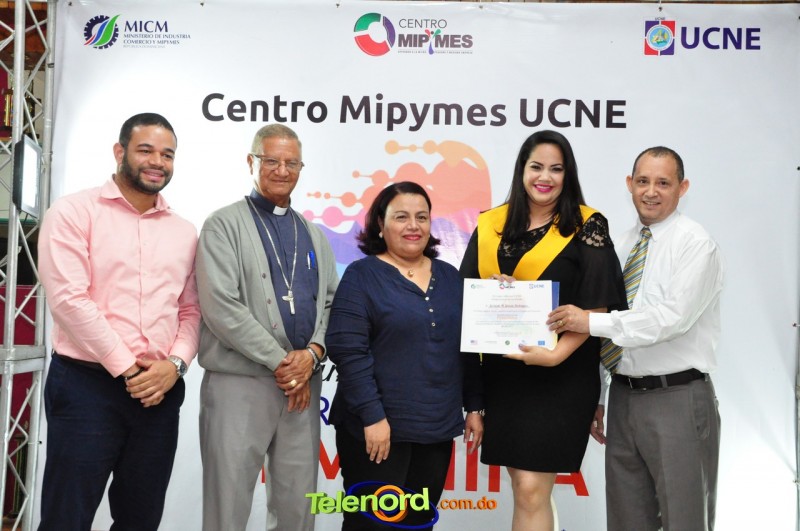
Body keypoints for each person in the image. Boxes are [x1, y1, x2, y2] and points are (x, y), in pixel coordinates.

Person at [37, 112, 200, 531]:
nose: (157, 162)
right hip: (86, 388)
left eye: (167, 154)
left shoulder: (184, 231)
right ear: (119, 151)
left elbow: (191, 310)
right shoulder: (73, 212)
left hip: (159, 393)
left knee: (140, 520)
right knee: (67, 517)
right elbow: (69, 301)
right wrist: (130, 369)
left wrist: (175, 366)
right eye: (146, 150)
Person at [547, 146, 723, 531]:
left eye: (663, 183)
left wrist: (589, 321)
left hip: (677, 398)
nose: (651, 192)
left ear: (683, 187)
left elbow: (670, 320)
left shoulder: (696, 244)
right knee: (626, 521)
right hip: (623, 399)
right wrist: (599, 395)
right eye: (643, 181)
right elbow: (606, 325)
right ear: (629, 184)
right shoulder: (620, 244)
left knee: (684, 520)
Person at [459, 130, 626, 531]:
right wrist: (497, 291)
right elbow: (468, 300)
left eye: (556, 169)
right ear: (522, 170)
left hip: (562, 375)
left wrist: (554, 356)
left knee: (532, 489)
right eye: (536, 167)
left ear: (568, 175)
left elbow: (597, 307)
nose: (545, 177)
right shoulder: (491, 225)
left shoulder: (587, 225)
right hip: (506, 375)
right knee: (525, 488)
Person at [195, 123, 338, 531]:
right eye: (271, 160)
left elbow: (333, 303)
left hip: (302, 387)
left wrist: (312, 354)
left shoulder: (313, 234)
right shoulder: (222, 225)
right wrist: (284, 363)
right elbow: (221, 306)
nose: (282, 170)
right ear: (251, 162)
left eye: (292, 163)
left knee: (298, 506)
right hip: (240, 384)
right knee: (227, 506)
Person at [326, 181, 484, 530]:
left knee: (418, 524)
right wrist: (372, 417)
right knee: (372, 525)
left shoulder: (450, 277)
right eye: (401, 217)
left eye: (421, 217)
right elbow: (349, 352)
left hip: (435, 429)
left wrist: (474, 406)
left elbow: (468, 347)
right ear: (380, 225)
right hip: (376, 431)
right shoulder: (361, 277)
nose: (413, 226)